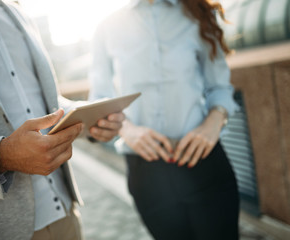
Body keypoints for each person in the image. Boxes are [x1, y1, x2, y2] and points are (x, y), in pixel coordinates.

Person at [0, 0, 125, 239]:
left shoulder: (15, 11)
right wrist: (1, 156)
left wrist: (89, 119)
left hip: (65, 213)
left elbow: (43, 102)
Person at [89, 0, 239, 239]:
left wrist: (212, 124)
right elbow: (99, 99)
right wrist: (127, 130)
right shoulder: (107, 27)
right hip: (146, 172)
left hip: (203, 160)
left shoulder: (198, 14)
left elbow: (219, 87)